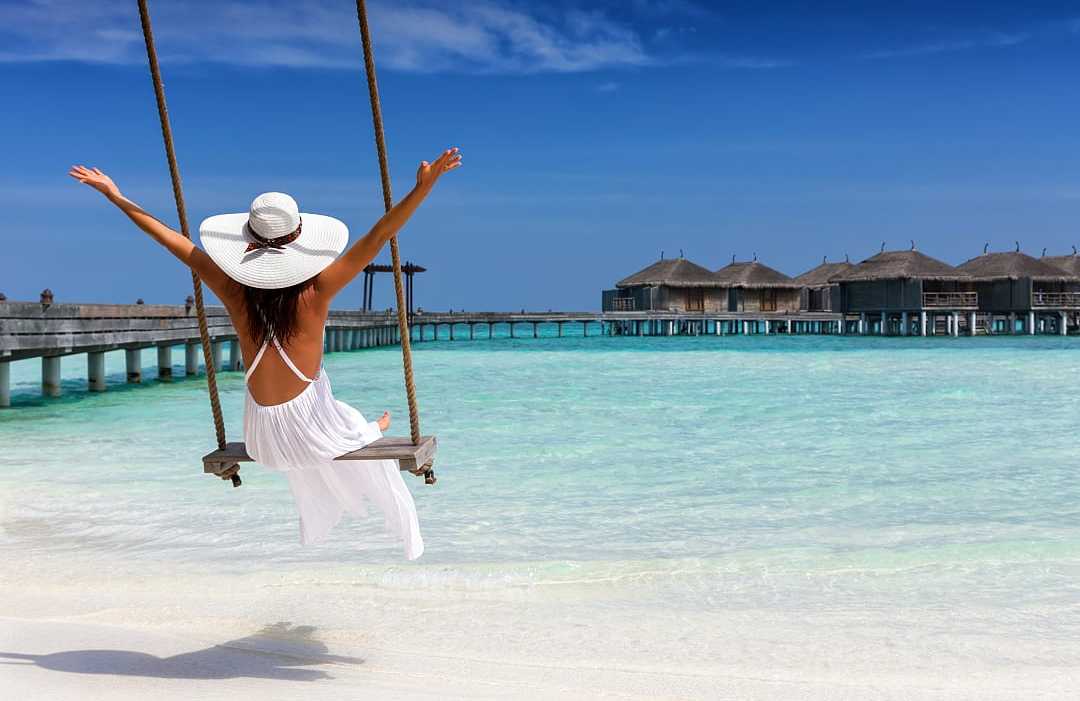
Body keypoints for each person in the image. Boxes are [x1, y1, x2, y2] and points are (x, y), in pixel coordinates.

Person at [68, 147, 462, 559]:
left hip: (263, 443)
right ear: (299, 241)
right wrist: (423, 189)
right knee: (339, 410)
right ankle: (366, 429)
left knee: (328, 402)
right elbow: (380, 235)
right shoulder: (318, 291)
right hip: (309, 436)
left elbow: (172, 242)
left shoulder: (234, 293)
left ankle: (364, 427)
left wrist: (115, 195)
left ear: (250, 243)